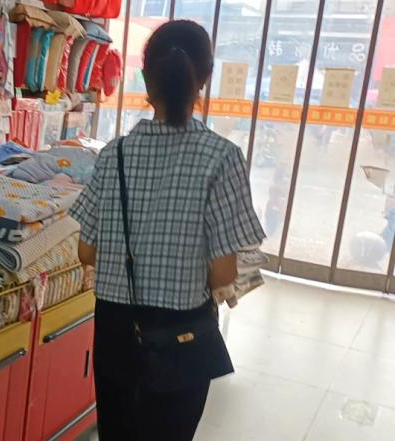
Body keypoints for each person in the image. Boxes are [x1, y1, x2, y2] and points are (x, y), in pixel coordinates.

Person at [69, 20, 265, 441]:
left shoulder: (114, 154)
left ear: (146, 78)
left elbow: (86, 252)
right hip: (182, 331)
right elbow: (224, 273)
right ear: (204, 79)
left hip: (115, 327)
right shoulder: (222, 157)